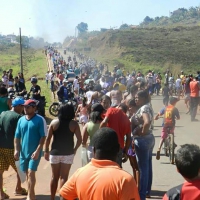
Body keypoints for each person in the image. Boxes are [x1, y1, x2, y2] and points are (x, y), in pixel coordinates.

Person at [60, 127, 140, 200]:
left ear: (94, 150)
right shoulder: (125, 180)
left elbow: (63, 196)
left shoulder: (79, 173)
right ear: (118, 149)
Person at [44, 104, 82, 200]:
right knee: (64, 177)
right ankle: (62, 198)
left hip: (55, 153)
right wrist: (75, 149)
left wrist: (46, 151)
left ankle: (52, 198)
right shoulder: (74, 124)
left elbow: (48, 139)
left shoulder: (54, 123)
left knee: (54, 177)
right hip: (68, 153)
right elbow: (80, 139)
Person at [14, 99, 47, 200]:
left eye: (28, 107)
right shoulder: (21, 120)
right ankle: (31, 193)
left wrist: (38, 151)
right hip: (23, 153)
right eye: (24, 107)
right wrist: (16, 150)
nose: (25, 109)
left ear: (34, 108)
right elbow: (17, 136)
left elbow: (43, 137)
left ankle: (30, 196)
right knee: (27, 174)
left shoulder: (40, 120)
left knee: (31, 172)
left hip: (34, 152)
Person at [0, 97, 27, 200]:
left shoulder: (2, 114)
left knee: (0, 171)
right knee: (21, 169)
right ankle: (18, 188)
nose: (24, 108)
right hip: (12, 148)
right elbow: (21, 134)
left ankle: (1, 193)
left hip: (1, 146)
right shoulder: (19, 117)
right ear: (19, 106)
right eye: (23, 106)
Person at [131, 90, 155, 200]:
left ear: (144, 98)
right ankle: (146, 191)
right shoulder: (148, 106)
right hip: (150, 138)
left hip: (143, 140)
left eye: (138, 98)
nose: (136, 99)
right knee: (148, 166)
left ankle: (141, 195)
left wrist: (142, 132)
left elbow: (147, 122)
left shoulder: (144, 108)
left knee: (143, 168)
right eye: (135, 98)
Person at [154, 96, 180, 160]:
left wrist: (156, 117)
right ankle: (172, 142)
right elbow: (178, 117)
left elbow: (158, 114)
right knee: (172, 133)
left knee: (163, 137)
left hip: (165, 124)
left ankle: (159, 149)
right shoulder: (175, 108)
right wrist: (177, 118)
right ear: (174, 102)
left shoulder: (165, 108)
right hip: (172, 124)